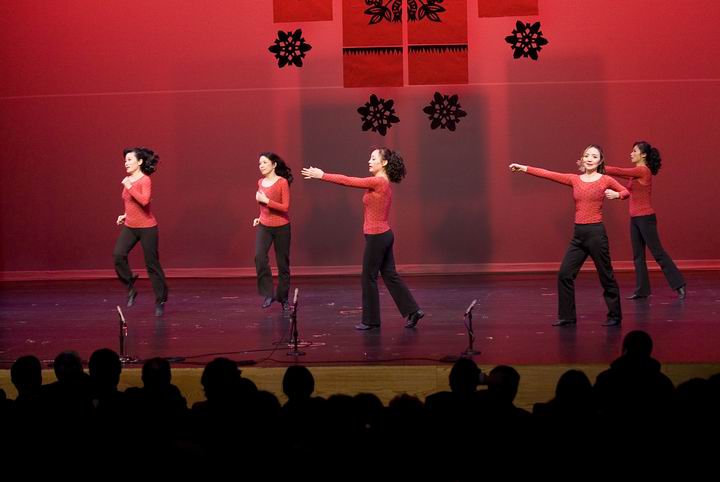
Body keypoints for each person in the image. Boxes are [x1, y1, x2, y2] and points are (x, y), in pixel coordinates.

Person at [301, 148, 424, 331]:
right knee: (389, 275)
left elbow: (349, 181)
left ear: (384, 163)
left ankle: (371, 320)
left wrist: (322, 175)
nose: (369, 161)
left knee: (368, 277)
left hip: (377, 236)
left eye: (373, 158)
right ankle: (413, 311)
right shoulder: (382, 183)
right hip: (383, 235)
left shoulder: (378, 181)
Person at [509, 145, 629, 327]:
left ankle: (615, 315)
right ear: (582, 159)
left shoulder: (605, 180)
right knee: (565, 274)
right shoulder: (575, 179)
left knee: (606, 275)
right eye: (586, 155)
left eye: (594, 156)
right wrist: (524, 168)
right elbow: (548, 174)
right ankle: (567, 316)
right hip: (578, 235)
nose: (589, 159)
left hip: (596, 234)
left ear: (600, 161)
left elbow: (626, 192)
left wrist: (617, 195)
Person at [604, 141, 686, 299]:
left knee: (657, 253)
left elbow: (618, 171)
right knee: (638, 256)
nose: (631, 153)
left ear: (643, 155)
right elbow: (625, 186)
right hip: (635, 219)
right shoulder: (635, 174)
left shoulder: (643, 170)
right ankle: (642, 290)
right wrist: (617, 194)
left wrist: (597, 166)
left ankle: (679, 283)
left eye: (634, 151)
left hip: (645, 218)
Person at [113, 147, 168, 317]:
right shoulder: (129, 180)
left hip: (147, 228)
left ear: (140, 162)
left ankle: (160, 300)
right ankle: (130, 283)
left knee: (152, 264)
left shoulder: (145, 180)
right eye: (125, 160)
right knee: (118, 255)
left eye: (129, 160)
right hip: (130, 226)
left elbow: (144, 201)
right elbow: (130, 203)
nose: (126, 163)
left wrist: (129, 186)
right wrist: (125, 215)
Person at [253, 152, 292, 310]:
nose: (261, 166)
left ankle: (283, 297)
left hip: (282, 227)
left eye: (264, 162)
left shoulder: (282, 182)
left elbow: (285, 207)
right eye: (259, 163)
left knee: (283, 264)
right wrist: (259, 217)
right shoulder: (260, 182)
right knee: (259, 257)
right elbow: (263, 207)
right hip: (265, 226)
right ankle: (268, 293)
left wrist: (266, 200)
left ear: (274, 165)